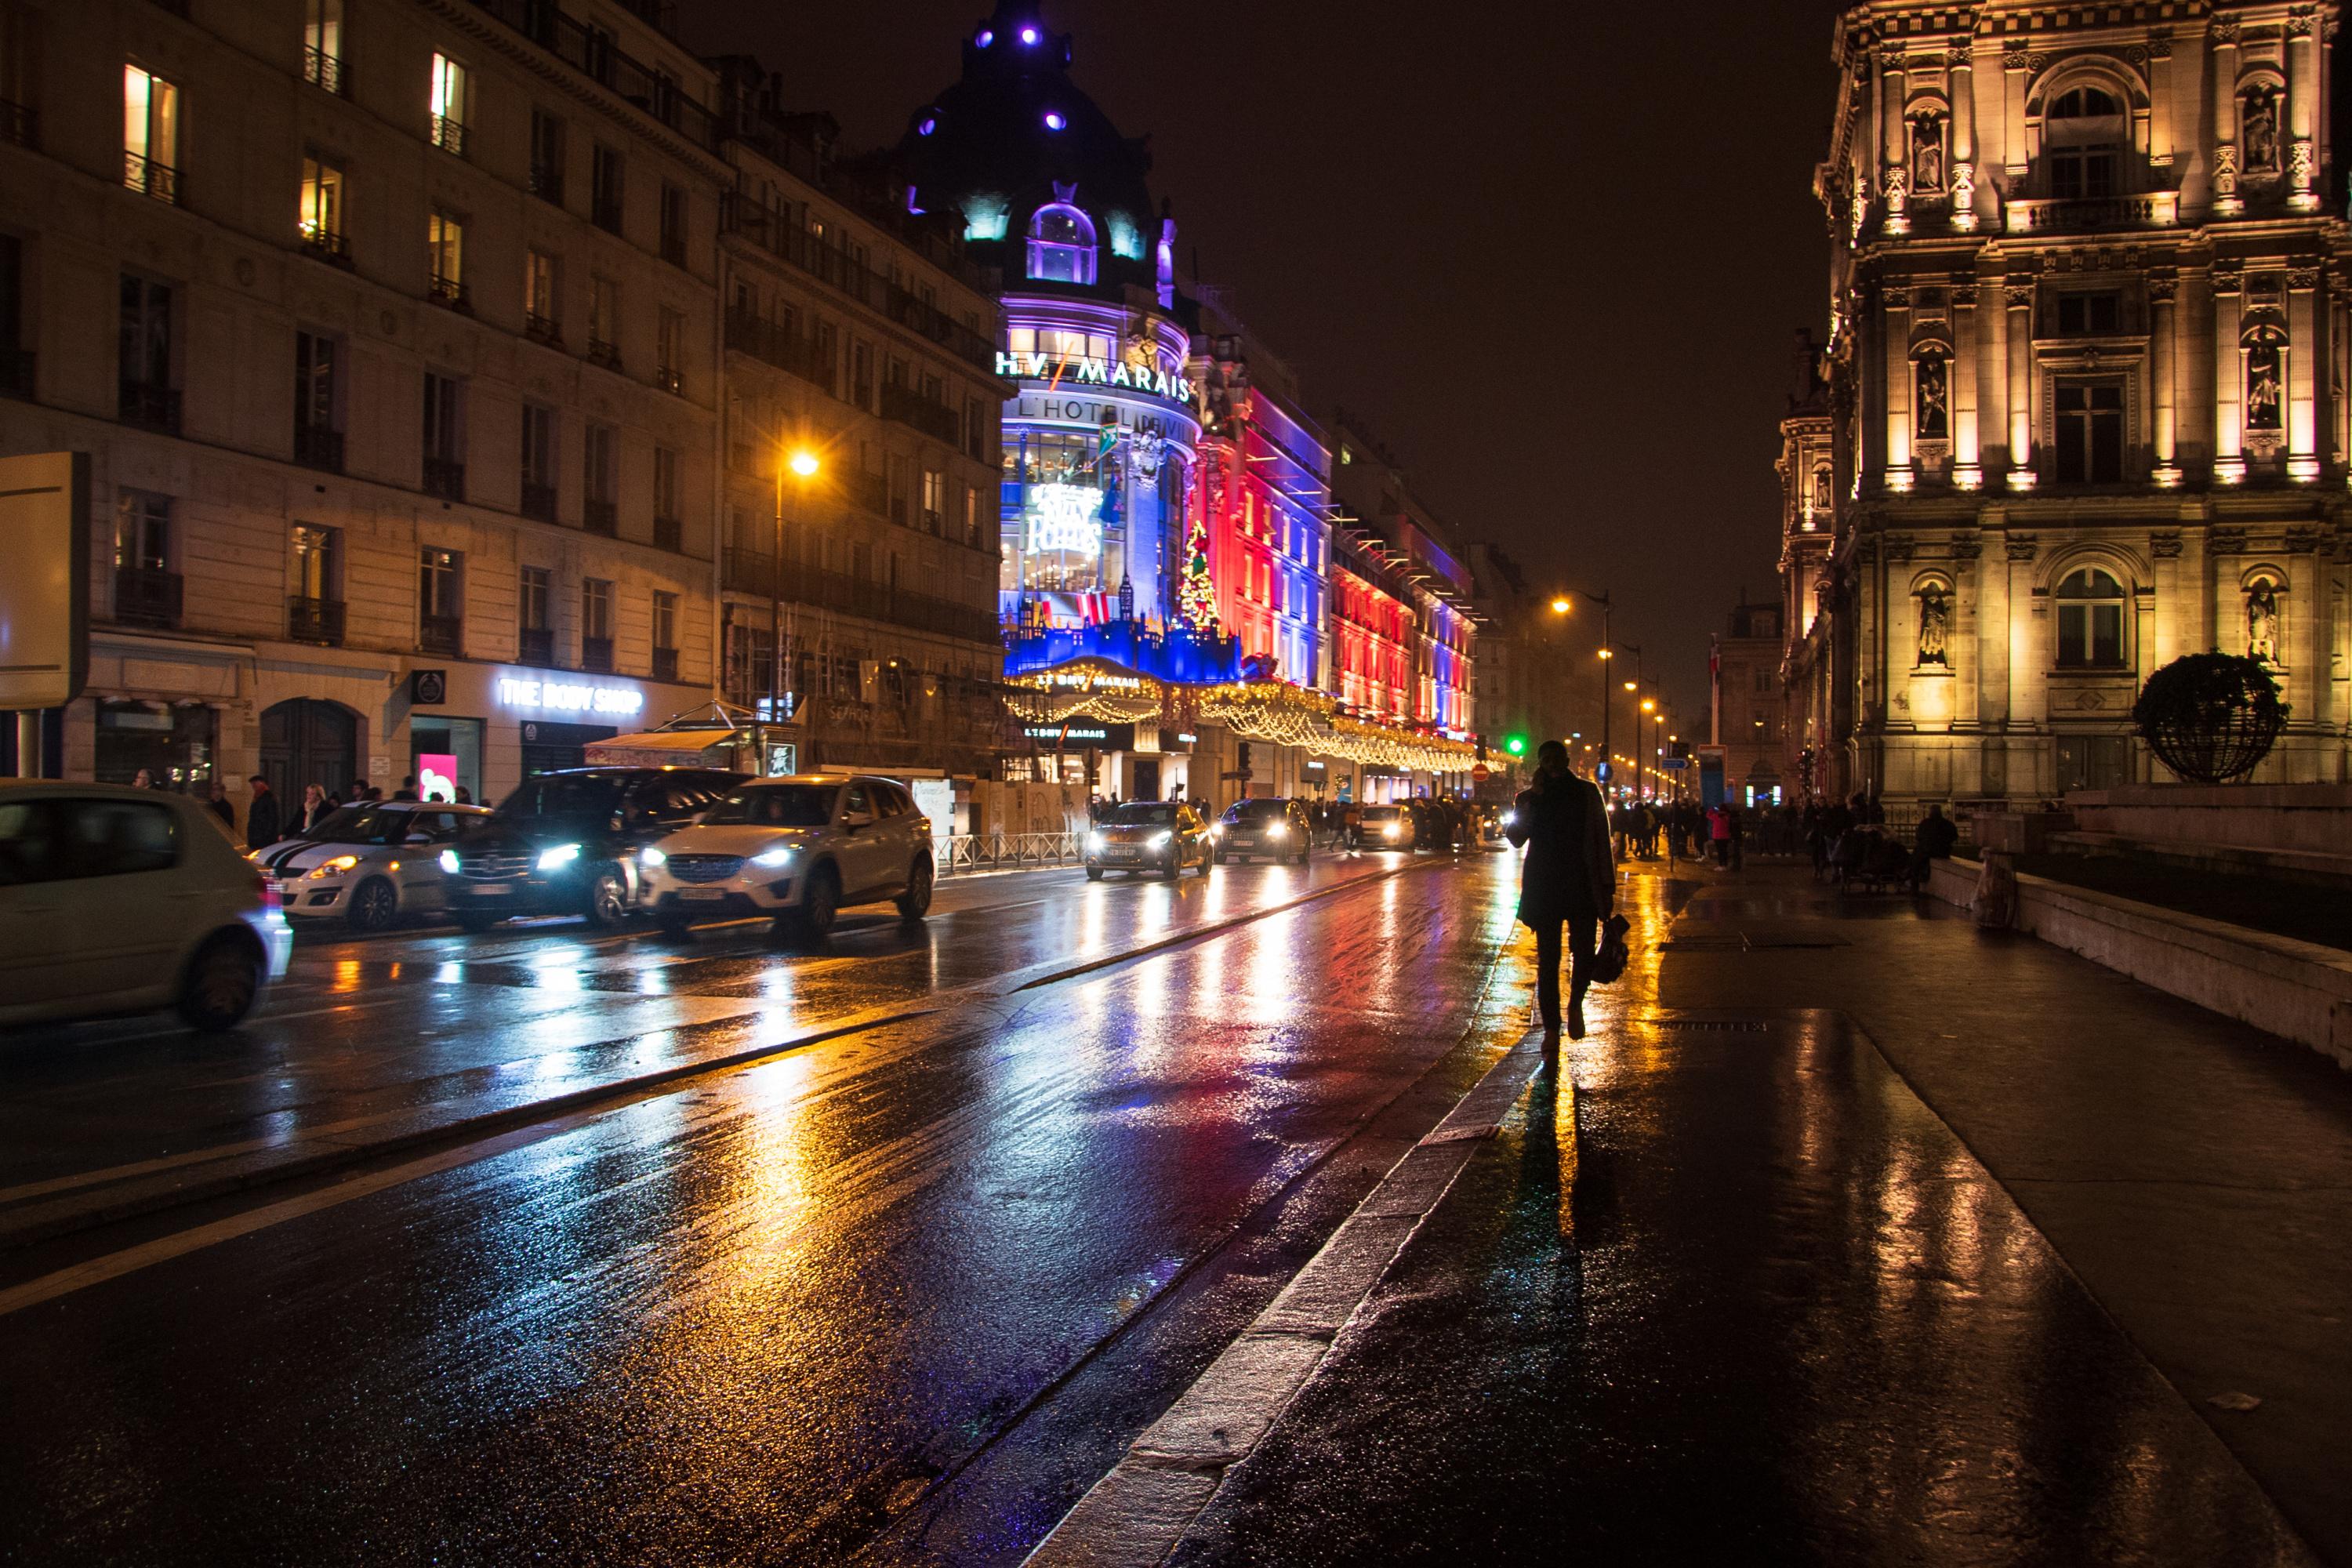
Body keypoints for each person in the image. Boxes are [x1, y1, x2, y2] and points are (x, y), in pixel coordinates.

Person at [1508, 740, 1614, 1047]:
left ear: (1567, 760)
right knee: (1549, 960)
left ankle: (1576, 1005)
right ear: (1540, 763)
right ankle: (1551, 1028)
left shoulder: (1587, 792)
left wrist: (1606, 889)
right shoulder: (1528, 798)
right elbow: (1515, 838)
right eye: (1546, 759)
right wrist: (1530, 803)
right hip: (1545, 887)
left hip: (1582, 884)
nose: (1552, 764)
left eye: (1557, 758)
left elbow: (1601, 842)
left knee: (1582, 955)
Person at [245, 775, 282, 851]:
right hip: (256, 836)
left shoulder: (268, 797)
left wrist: (266, 835)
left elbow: (273, 818)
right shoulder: (257, 797)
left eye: (255, 784)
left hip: (263, 838)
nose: (254, 787)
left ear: (261, 783)